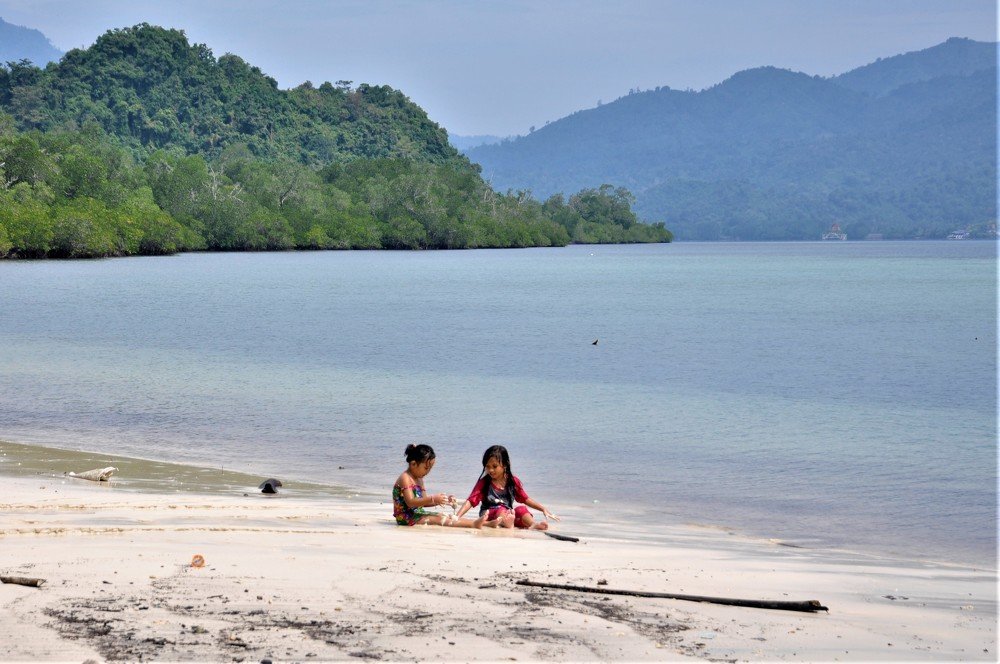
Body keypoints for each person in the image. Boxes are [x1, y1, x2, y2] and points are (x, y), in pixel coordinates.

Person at [455, 445, 559, 530]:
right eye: (487, 467)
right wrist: (457, 516)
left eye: (494, 466)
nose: (490, 470)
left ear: (505, 465)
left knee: (521, 509)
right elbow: (471, 500)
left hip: (508, 514)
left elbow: (525, 499)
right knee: (501, 509)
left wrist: (543, 509)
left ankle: (532, 524)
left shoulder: (513, 482)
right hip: (489, 515)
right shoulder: (484, 483)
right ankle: (507, 523)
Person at [393, 444, 484, 528]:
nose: (428, 472)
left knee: (442, 515)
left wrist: (443, 500)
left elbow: (424, 502)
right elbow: (411, 502)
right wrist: (433, 498)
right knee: (438, 519)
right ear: (413, 464)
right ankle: (473, 524)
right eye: (426, 468)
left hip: (417, 513)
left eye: (430, 468)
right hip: (405, 517)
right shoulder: (405, 478)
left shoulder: (419, 479)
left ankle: (481, 522)